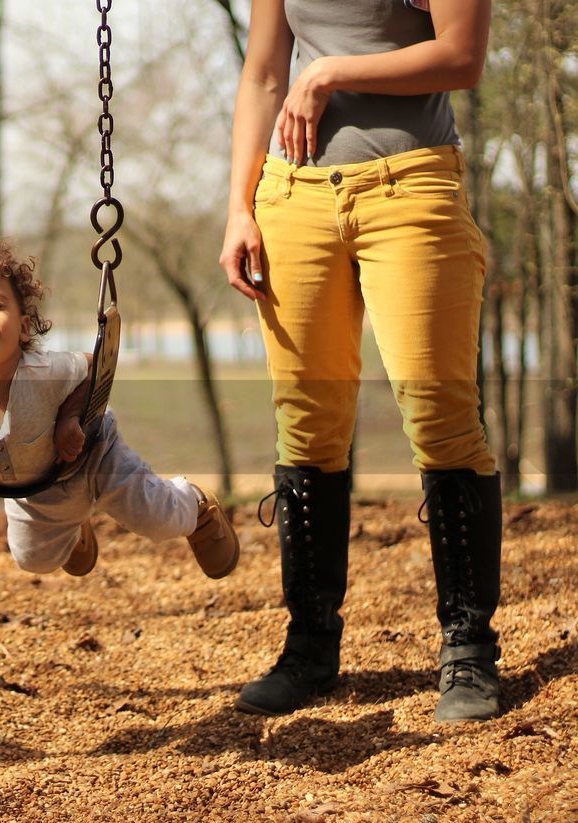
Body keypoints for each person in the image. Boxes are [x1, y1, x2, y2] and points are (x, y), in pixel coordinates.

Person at [218, 0, 499, 721]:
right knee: (307, 427)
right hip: (293, 197)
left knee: (440, 417)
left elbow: (461, 57)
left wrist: (334, 71)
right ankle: (309, 646)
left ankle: (468, 648)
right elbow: (262, 76)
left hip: (413, 190)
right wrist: (240, 209)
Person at [0, 239, 239, 580]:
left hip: (97, 455)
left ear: (24, 327)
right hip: (33, 489)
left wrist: (70, 417)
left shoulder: (43, 371)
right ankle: (73, 527)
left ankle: (196, 505)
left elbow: (93, 367)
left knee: (157, 519)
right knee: (33, 560)